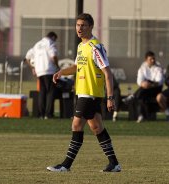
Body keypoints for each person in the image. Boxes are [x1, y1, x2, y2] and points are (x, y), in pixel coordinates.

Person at [47, 13, 121, 172]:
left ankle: (66, 165)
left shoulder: (95, 47)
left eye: (83, 25)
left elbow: (107, 73)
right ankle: (114, 163)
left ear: (90, 27)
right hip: (82, 93)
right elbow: (76, 67)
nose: (79, 28)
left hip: (90, 93)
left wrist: (110, 97)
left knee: (76, 124)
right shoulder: (81, 47)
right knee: (97, 127)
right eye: (77, 25)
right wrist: (61, 72)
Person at [25, 32, 59, 119]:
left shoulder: (37, 44)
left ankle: (41, 114)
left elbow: (27, 57)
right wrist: (57, 66)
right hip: (49, 70)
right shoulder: (50, 42)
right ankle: (48, 114)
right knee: (51, 92)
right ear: (52, 37)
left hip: (39, 71)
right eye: (55, 39)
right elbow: (53, 56)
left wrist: (33, 67)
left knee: (42, 92)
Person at [122, 51, 163, 123]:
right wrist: (144, 84)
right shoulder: (142, 68)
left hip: (155, 89)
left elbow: (159, 82)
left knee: (142, 91)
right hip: (145, 90)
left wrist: (149, 84)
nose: (153, 60)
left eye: (154, 58)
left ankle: (132, 96)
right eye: (151, 59)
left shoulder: (158, 67)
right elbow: (139, 81)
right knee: (140, 96)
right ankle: (141, 116)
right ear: (146, 60)